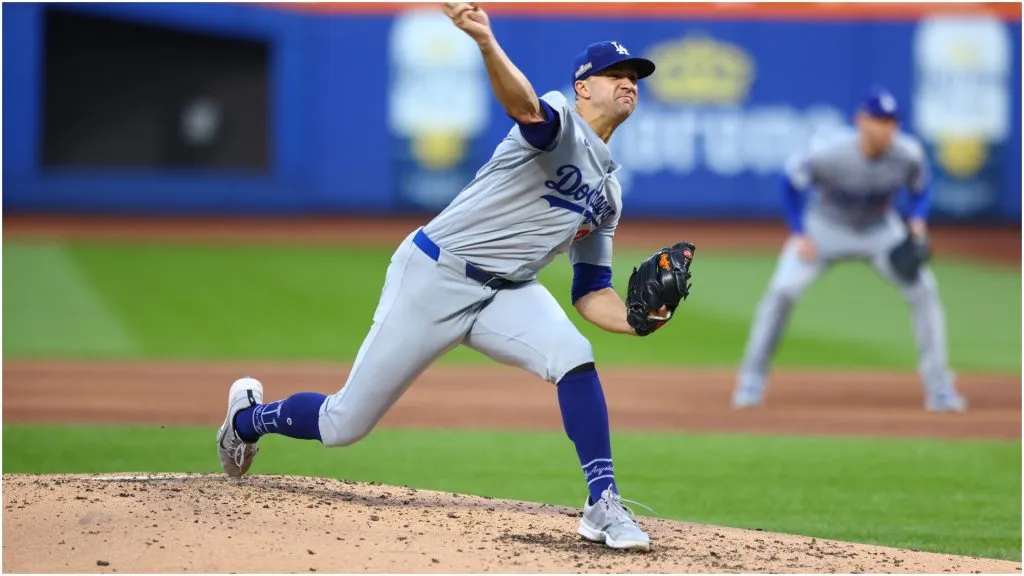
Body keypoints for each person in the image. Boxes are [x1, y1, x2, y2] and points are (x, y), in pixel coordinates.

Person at [215, 2, 683, 551]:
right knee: (345, 425)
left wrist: (636, 321)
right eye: (616, 76)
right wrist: (486, 41)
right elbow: (524, 106)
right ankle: (249, 419)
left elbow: (591, 292)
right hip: (435, 275)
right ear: (583, 87)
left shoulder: (608, 195)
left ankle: (603, 504)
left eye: (634, 79)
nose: (628, 84)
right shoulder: (559, 122)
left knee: (574, 357)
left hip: (507, 294)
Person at [732, 88, 967, 413]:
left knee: (925, 290)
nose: (886, 128)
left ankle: (940, 387)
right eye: (879, 120)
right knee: (782, 291)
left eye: (891, 121)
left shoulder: (908, 153)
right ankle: (751, 379)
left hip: (880, 231)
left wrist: (916, 220)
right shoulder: (829, 152)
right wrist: (799, 232)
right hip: (824, 227)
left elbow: (921, 188)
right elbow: (791, 182)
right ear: (861, 121)